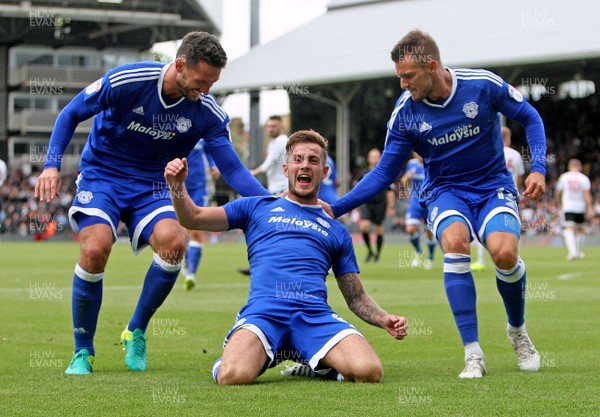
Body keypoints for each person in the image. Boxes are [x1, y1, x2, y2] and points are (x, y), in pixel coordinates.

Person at [34, 31, 270, 375]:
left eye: (212, 83)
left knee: (175, 242)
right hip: (103, 176)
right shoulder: (127, 80)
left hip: (155, 185)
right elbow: (70, 114)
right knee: (96, 247)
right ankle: (83, 350)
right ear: (179, 65)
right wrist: (52, 165)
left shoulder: (207, 112)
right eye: (202, 81)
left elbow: (232, 169)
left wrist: (272, 202)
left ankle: (136, 331)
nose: (206, 91)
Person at [326, 29, 547, 378]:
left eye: (408, 76)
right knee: (456, 243)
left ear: (432, 66)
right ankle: (472, 353)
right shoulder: (405, 115)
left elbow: (530, 117)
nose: (402, 85)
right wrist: (336, 208)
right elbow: (384, 172)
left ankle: (517, 331)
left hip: (493, 188)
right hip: (446, 191)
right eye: (398, 77)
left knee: (505, 253)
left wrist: (539, 168)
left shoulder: (483, 85)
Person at [164, 130, 408, 385]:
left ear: (324, 173)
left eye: (313, 160)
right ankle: (238, 356)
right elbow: (192, 218)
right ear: (285, 169)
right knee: (232, 375)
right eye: (298, 159)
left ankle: (317, 365)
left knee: (369, 371)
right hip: (264, 313)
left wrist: (384, 318)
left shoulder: (336, 230)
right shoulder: (256, 207)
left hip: (314, 315)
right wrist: (176, 185)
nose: (305, 165)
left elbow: (356, 297)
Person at [471, 126, 525, 272]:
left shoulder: (488, 150)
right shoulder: (515, 155)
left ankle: (481, 261)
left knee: (483, 227)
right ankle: (514, 259)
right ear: (508, 138)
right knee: (512, 227)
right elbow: (519, 178)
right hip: (508, 195)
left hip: (489, 194)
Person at [183, 139, 220, 290]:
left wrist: (214, 166)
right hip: (175, 187)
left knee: (195, 231)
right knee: (177, 234)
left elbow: (210, 151)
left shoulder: (201, 134)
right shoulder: (171, 130)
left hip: (199, 189)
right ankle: (183, 260)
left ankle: (191, 274)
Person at [357, 148, 395, 263]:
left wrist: (390, 206)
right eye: (372, 156)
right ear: (369, 159)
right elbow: (358, 190)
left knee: (378, 229)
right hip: (366, 203)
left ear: (380, 158)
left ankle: (377, 255)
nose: (374, 159)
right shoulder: (363, 173)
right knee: (364, 226)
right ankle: (370, 251)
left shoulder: (385, 172)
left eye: (376, 156)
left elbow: (390, 191)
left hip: (380, 204)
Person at [400, 152, 436, 269]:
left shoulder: (433, 162)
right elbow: (403, 182)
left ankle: (430, 257)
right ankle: (418, 251)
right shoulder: (412, 164)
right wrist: (407, 179)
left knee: (429, 233)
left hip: (430, 202)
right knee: (410, 229)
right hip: (415, 201)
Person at [555, 159, 594, 260]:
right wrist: (590, 207)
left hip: (568, 206)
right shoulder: (584, 178)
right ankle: (578, 252)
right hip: (580, 207)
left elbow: (558, 192)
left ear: (569, 167)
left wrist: (559, 202)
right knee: (580, 229)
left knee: (569, 228)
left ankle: (572, 253)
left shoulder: (564, 177)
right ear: (580, 167)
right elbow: (587, 194)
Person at [250, 115, 289, 195]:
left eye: (274, 126)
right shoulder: (273, 143)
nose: (271, 129)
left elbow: (268, 164)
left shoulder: (281, 140)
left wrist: (252, 173)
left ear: (281, 127)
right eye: (269, 126)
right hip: (276, 188)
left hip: (282, 188)